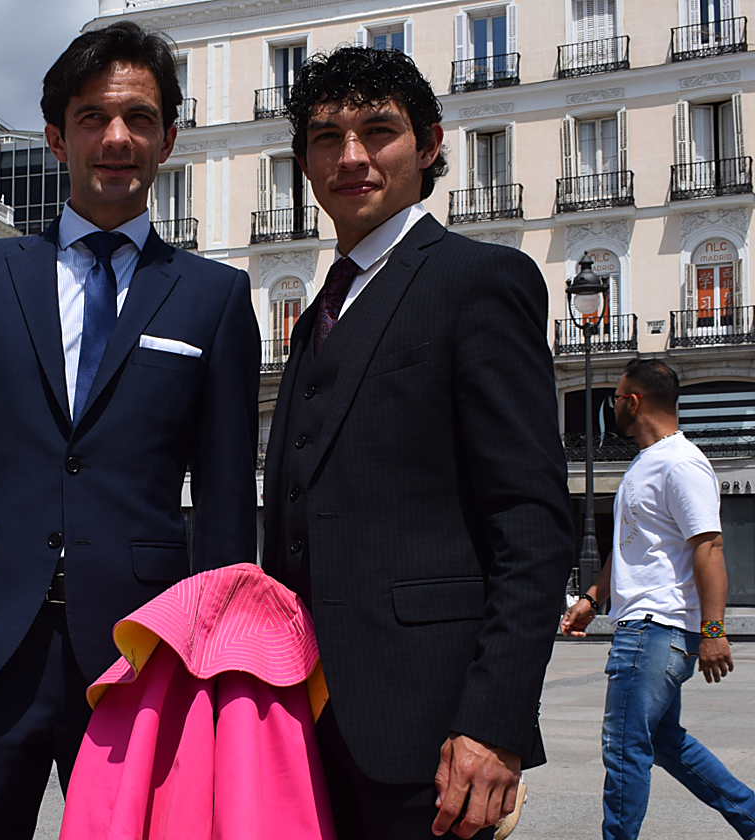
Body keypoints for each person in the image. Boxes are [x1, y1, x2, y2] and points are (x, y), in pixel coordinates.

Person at [0, 20, 259, 840]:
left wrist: (220, 670)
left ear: (169, 140)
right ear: (56, 136)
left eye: (140, 119)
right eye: (93, 117)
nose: (116, 138)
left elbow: (228, 506)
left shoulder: (212, 298)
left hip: (142, 655)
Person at [261, 46, 573, 839]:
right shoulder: (319, 313)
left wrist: (495, 723)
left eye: (379, 130)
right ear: (304, 161)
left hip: (433, 730)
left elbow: (531, 519)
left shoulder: (480, 279)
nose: (352, 156)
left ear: (430, 144)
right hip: (311, 724)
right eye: (327, 137)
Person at [562, 359, 755, 840]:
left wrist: (714, 631)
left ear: (634, 400)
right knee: (665, 743)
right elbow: (633, 549)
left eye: (616, 398)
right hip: (647, 627)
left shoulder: (681, 462)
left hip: (655, 629)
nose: (612, 407)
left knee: (624, 747)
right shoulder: (644, 463)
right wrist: (591, 597)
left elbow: (708, 548)